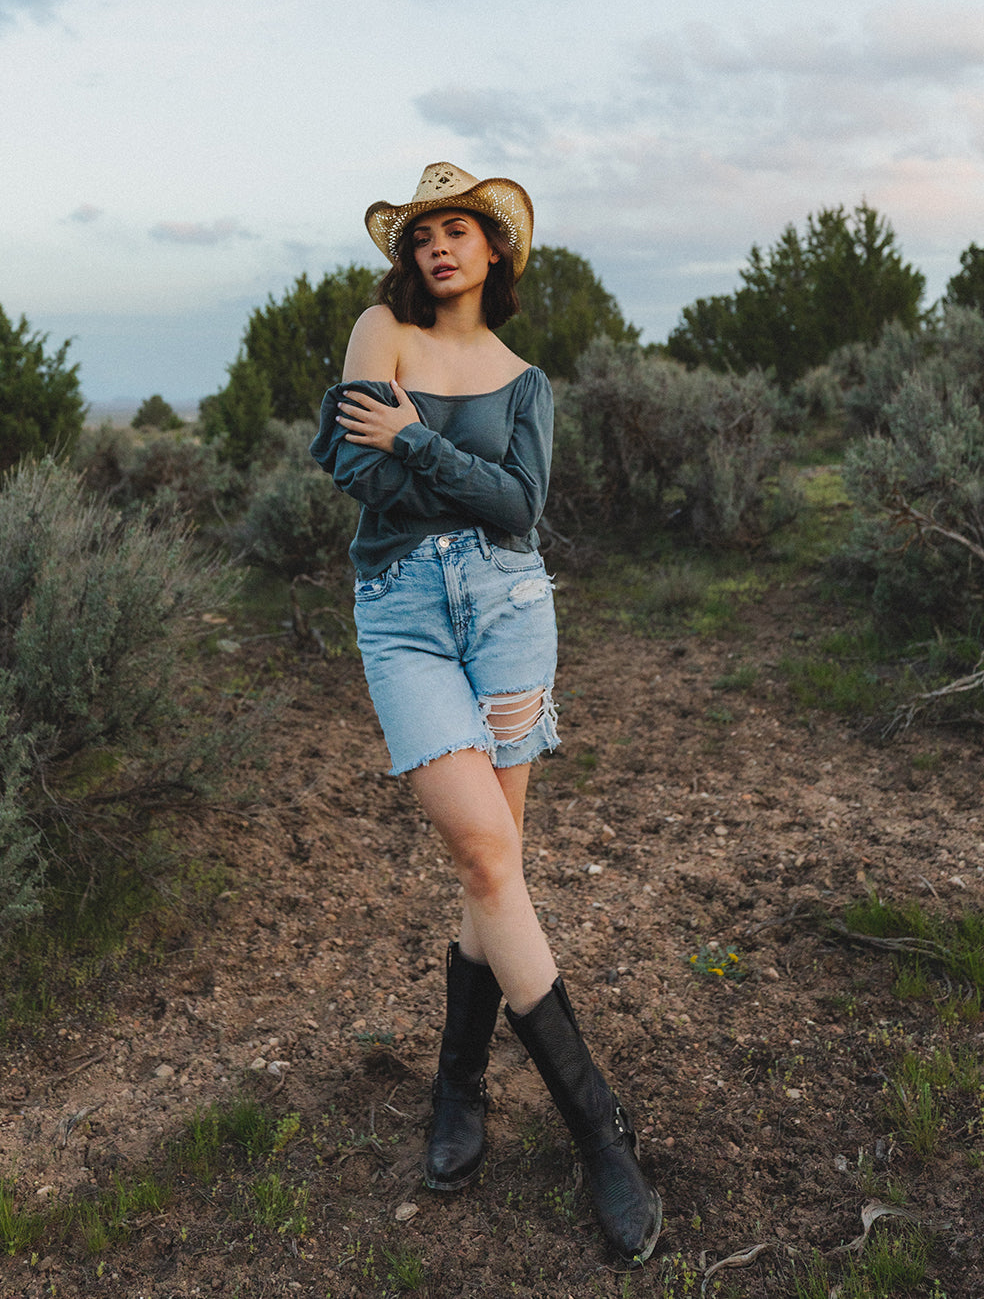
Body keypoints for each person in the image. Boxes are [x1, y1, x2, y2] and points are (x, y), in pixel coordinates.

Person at [310, 162, 661, 1263]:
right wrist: (438, 469)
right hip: (404, 612)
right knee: (479, 845)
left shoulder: (526, 377)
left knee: (489, 869)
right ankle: (599, 1129)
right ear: (406, 259)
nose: (437, 249)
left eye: (458, 231)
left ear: (494, 251)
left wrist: (413, 441)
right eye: (421, 237)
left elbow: (519, 507)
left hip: (511, 615)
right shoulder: (382, 330)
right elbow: (343, 468)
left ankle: (458, 1089)